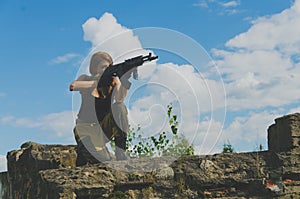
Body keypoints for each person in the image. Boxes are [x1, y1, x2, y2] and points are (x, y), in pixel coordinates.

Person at [70, 51, 130, 164]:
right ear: (95, 68)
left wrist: (122, 81)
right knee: (101, 160)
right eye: (103, 67)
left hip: (102, 128)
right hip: (85, 128)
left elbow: (119, 100)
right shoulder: (86, 78)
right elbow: (73, 86)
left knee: (119, 108)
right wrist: (98, 82)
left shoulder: (112, 82)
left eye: (109, 67)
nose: (106, 69)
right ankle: (83, 151)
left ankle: (120, 152)